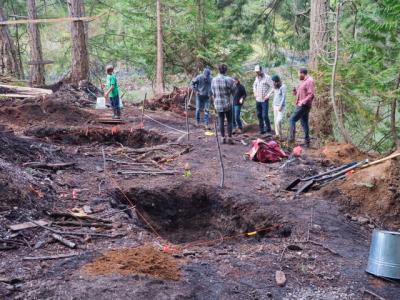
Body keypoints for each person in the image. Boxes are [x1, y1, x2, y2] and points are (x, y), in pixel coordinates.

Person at [288, 68, 315, 147]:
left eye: (298, 74)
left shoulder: (309, 81)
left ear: (303, 73)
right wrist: (295, 92)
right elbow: (300, 94)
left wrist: (303, 102)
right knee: (304, 123)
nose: (298, 75)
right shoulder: (303, 81)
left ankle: (291, 140)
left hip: (303, 106)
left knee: (291, 120)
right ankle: (307, 142)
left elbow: (311, 94)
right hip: (303, 105)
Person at [211, 64, 235, 144]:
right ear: (226, 70)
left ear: (219, 70)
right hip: (227, 103)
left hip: (218, 103)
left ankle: (222, 137)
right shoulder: (229, 79)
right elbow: (234, 90)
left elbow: (213, 92)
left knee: (220, 120)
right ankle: (230, 138)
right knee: (229, 121)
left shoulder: (214, 80)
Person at [253, 65, 273, 134]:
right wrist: (255, 92)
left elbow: (272, 87)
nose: (257, 73)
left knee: (264, 115)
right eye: (256, 72)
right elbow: (254, 85)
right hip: (258, 99)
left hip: (264, 100)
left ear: (261, 70)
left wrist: (268, 95)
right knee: (259, 115)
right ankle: (261, 129)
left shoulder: (267, 77)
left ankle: (268, 129)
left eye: (258, 71)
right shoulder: (256, 78)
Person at [271, 75, 286, 139]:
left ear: (277, 81)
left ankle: (281, 135)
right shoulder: (275, 87)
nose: (273, 83)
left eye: (274, 81)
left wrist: (280, 105)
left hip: (280, 106)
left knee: (278, 120)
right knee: (275, 120)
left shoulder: (283, 86)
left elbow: (283, 97)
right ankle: (277, 135)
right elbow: (273, 94)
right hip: (275, 105)